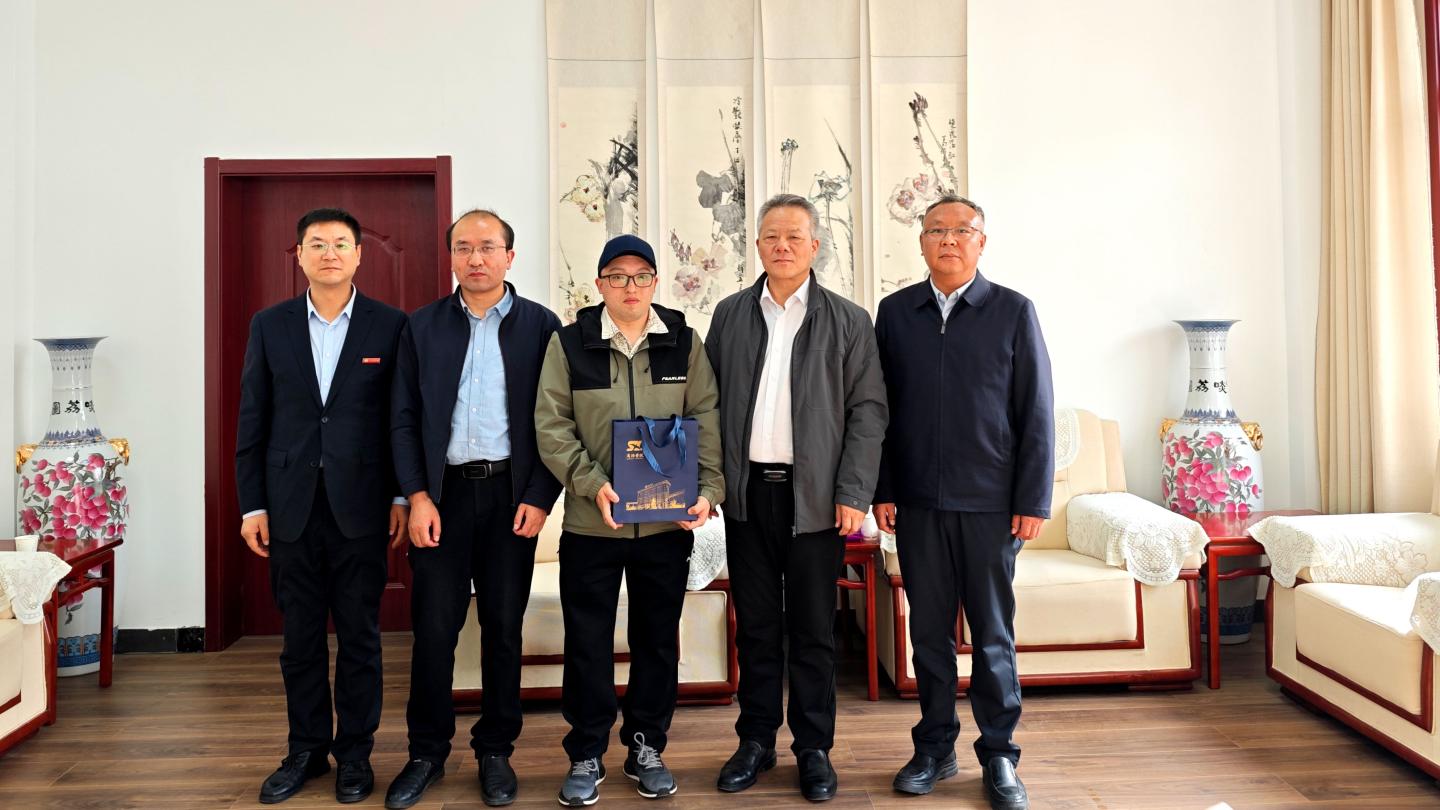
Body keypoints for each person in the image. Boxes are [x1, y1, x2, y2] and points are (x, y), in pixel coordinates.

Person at [703, 194, 888, 802]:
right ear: (757, 245)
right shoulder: (729, 315)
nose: (781, 246)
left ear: (814, 245)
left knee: (812, 632)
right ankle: (755, 741)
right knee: (756, 628)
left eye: (793, 237)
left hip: (818, 499)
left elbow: (868, 413)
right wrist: (710, 484)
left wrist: (853, 491)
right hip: (747, 496)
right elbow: (706, 407)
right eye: (771, 237)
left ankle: (813, 748)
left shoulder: (849, 321)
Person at [873, 195, 1053, 810]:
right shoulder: (896, 313)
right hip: (917, 503)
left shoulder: (1013, 311)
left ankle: (1000, 755)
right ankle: (934, 748)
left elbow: (1036, 410)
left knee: (993, 635)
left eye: (961, 230)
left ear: (982, 241)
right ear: (921, 241)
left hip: (991, 505)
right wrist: (884, 488)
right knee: (928, 635)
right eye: (936, 231)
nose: (948, 240)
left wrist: (1032, 498)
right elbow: (879, 410)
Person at [534, 234, 724, 806]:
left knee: (657, 642)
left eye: (641, 276)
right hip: (593, 526)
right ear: (600, 285)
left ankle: (647, 746)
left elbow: (706, 415)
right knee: (587, 643)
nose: (630, 286)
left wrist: (708, 490)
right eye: (617, 276)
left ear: (655, 282)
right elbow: (552, 425)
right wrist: (594, 485)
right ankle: (586, 752)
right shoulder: (569, 343)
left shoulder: (683, 342)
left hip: (665, 529)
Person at [384, 209, 562, 809]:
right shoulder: (422, 326)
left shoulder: (541, 326)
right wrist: (417, 496)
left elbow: (556, 421)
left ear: (510, 256)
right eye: (464, 247)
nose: (476, 258)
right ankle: (426, 753)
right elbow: (403, 418)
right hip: (443, 497)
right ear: (451, 257)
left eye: (488, 247)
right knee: (434, 629)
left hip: (512, 497)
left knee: (503, 629)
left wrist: (539, 497)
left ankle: (495, 751)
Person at [236, 207, 408, 805]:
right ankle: (305, 750)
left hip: (362, 507)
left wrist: (399, 494)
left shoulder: (391, 325)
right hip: (289, 508)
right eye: (317, 244)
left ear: (359, 254)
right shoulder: (270, 324)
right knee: (300, 640)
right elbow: (252, 419)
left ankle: (355, 754)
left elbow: (399, 420)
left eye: (340, 243)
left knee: (360, 637)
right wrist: (252, 505)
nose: (329, 253)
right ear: (300, 255)